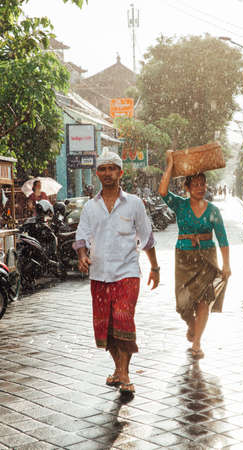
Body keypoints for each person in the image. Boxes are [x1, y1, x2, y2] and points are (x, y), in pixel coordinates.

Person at [74, 149, 160, 395]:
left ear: (121, 173)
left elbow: (147, 238)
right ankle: (118, 369)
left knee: (123, 320)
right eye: (103, 169)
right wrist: (82, 257)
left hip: (127, 273)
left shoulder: (134, 203)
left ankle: (124, 373)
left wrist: (155, 267)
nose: (108, 173)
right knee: (107, 327)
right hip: (99, 274)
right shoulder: (91, 207)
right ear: (97, 173)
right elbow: (81, 238)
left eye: (112, 168)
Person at [158, 150, 231, 359]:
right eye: (195, 184)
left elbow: (223, 240)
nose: (200, 188)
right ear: (187, 188)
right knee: (182, 304)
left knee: (203, 300)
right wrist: (171, 164)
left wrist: (226, 265)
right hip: (184, 258)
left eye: (202, 184)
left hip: (207, 258)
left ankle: (197, 343)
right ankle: (191, 324)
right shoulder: (180, 205)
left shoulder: (213, 210)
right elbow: (162, 191)